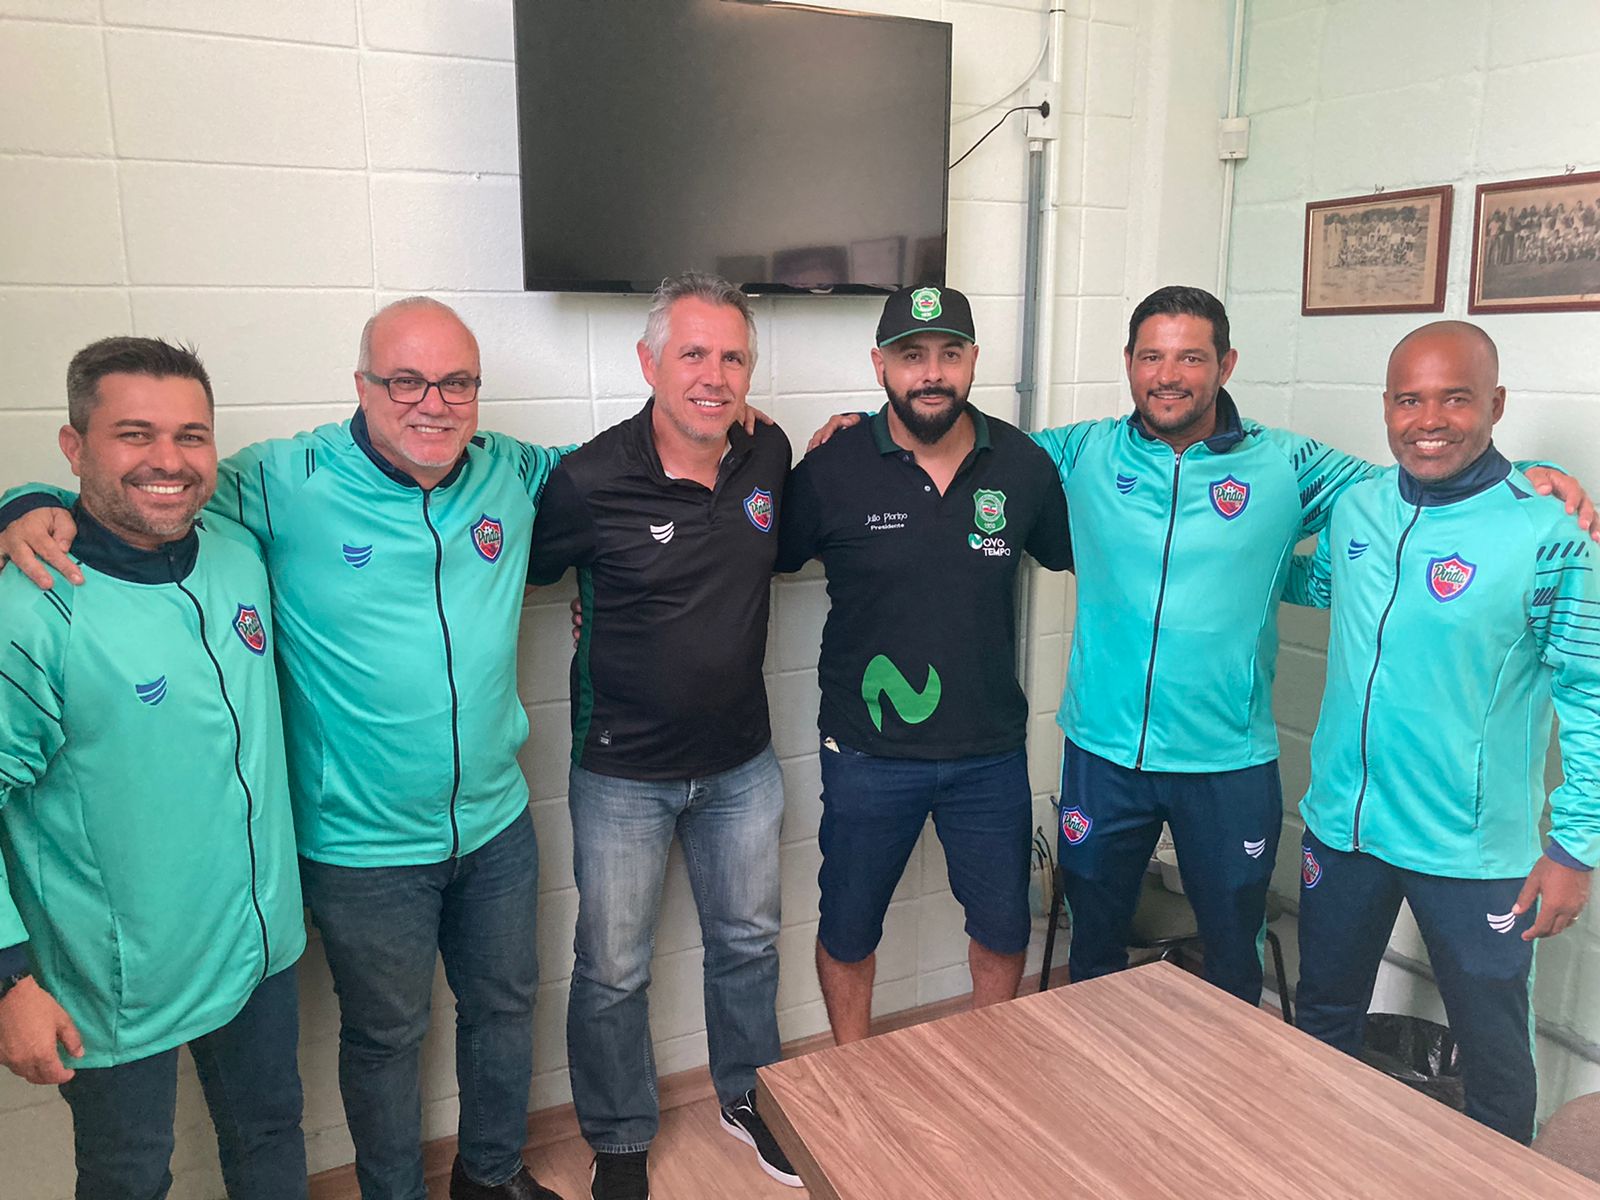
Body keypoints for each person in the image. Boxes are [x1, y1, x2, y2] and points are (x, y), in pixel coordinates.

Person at [811, 285, 1593, 1009]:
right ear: (1129, 364)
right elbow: (956, 442)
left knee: (1232, 960)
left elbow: (1421, 480)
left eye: (1191, 357)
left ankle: (1225, 1098)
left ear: (1226, 364)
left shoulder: (1290, 465)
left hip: (1229, 762)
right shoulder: (1075, 453)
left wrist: (1522, 476)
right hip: (1103, 753)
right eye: (1152, 356)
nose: (1169, 375)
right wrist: (859, 427)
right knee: (1093, 949)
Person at [0, 299, 569, 1200]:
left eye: (456, 382)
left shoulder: (502, 471)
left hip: (466, 836)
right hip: (347, 855)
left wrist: (730, 424)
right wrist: (23, 503)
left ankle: (490, 1179)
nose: (433, 402)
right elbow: (135, 501)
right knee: (376, 1047)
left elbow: (624, 467)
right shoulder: (274, 484)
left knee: (489, 1017)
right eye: (405, 381)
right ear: (361, 386)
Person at [0, 337, 307, 1198]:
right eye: (135, 434)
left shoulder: (238, 555)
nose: (168, 461)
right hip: (115, 977)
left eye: (191, 436)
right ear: (74, 447)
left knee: (271, 1137)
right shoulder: (31, 611)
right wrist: (8, 980)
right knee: (130, 1176)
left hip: (257, 944)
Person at [1286, 321, 1598, 1144]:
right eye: (1409, 400)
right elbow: (1318, 586)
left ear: (1496, 404)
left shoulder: (1550, 534)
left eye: (1455, 399)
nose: (1430, 420)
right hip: (1345, 829)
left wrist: (1574, 849)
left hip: (1473, 852)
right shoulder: (1358, 506)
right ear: (1386, 407)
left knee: (1494, 1059)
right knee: (1321, 1020)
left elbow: (1591, 695)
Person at [524, 273, 797, 1200]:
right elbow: (524, 575)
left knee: (749, 944)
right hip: (621, 774)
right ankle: (618, 1136)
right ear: (649, 363)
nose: (714, 376)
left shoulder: (768, 455)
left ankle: (750, 1097)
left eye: (733, 357)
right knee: (611, 969)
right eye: (693, 354)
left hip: (743, 765)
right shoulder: (589, 480)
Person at [774, 285, 1072, 1043]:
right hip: (867, 753)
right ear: (880, 366)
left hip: (990, 753)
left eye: (949, 354)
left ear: (973, 361)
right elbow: (745, 563)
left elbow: (1084, 561)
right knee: (848, 930)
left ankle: (991, 1065)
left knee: (1004, 928)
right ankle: (853, 1073)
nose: (931, 372)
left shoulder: (1024, 467)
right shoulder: (832, 469)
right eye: (912, 356)